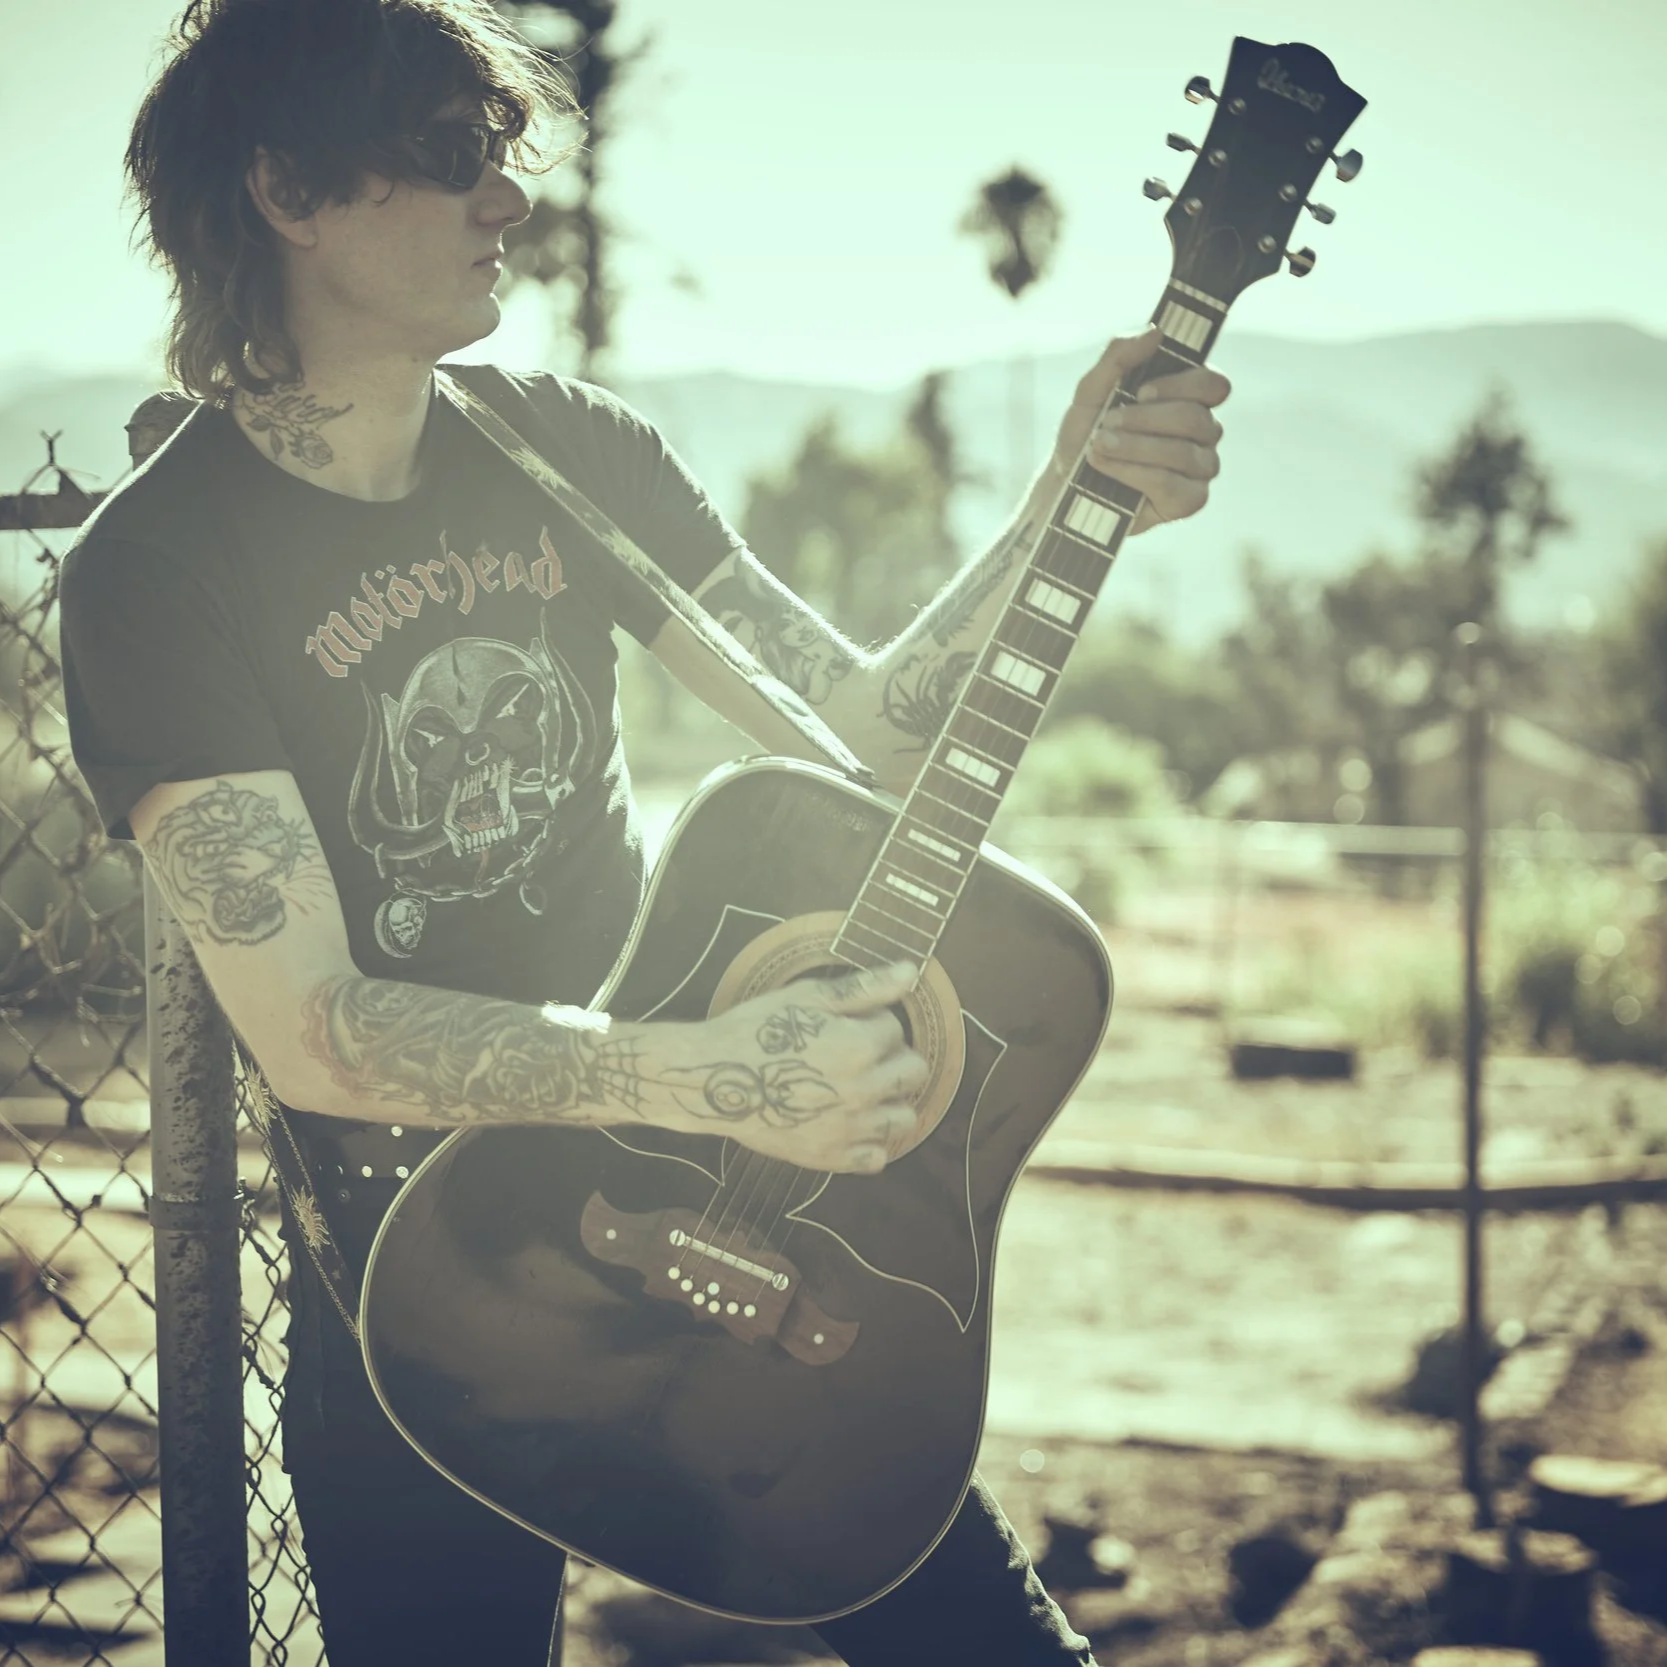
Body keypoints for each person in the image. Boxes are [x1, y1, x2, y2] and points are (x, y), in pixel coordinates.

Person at [59, 1, 1231, 1662]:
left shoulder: (567, 449)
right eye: (452, 156)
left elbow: (858, 742)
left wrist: (1066, 497)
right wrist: (714, 1071)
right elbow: (322, 1032)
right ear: (286, 190)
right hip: (432, 1297)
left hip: (733, 1214)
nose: (508, 203)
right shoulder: (157, 570)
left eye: (508, 154)